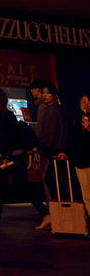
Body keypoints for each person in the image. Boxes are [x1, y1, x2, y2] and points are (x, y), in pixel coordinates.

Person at [0, 88, 48, 228]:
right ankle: (45, 214)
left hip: (7, 158)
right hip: (18, 156)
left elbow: (1, 140)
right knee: (24, 186)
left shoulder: (0, 118)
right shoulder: (11, 116)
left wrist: (5, 156)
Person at [35, 82, 68, 223]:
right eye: (43, 92)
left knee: (53, 181)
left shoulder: (54, 110)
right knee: (55, 181)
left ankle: (59, 213)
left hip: (55, 151)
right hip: (54, 150)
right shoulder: (52, 109)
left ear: (55, 95)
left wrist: (52, 148)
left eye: (48, 93)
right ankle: (59, 213)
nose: (45, 95)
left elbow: (54, 133)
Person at [71, 92, 90, 221]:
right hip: (81, 161)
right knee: (87, 195)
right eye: (83, 102)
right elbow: (72, 139)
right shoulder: (76, 120)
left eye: (88, 102)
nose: (86, 105)